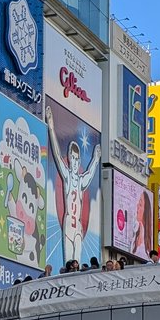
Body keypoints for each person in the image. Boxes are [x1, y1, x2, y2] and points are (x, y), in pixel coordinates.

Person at [46, 110, 102, 268]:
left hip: (78, 227)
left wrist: (96, 158)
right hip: (68, 225)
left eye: (77, 159)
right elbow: (57, 154)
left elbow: (91, 173)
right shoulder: (67, 177)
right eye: (73, 158)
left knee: (76, 266)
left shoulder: (81, 180)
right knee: (68, 264)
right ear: (69, 159)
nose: (76, 162)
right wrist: (51, 126)